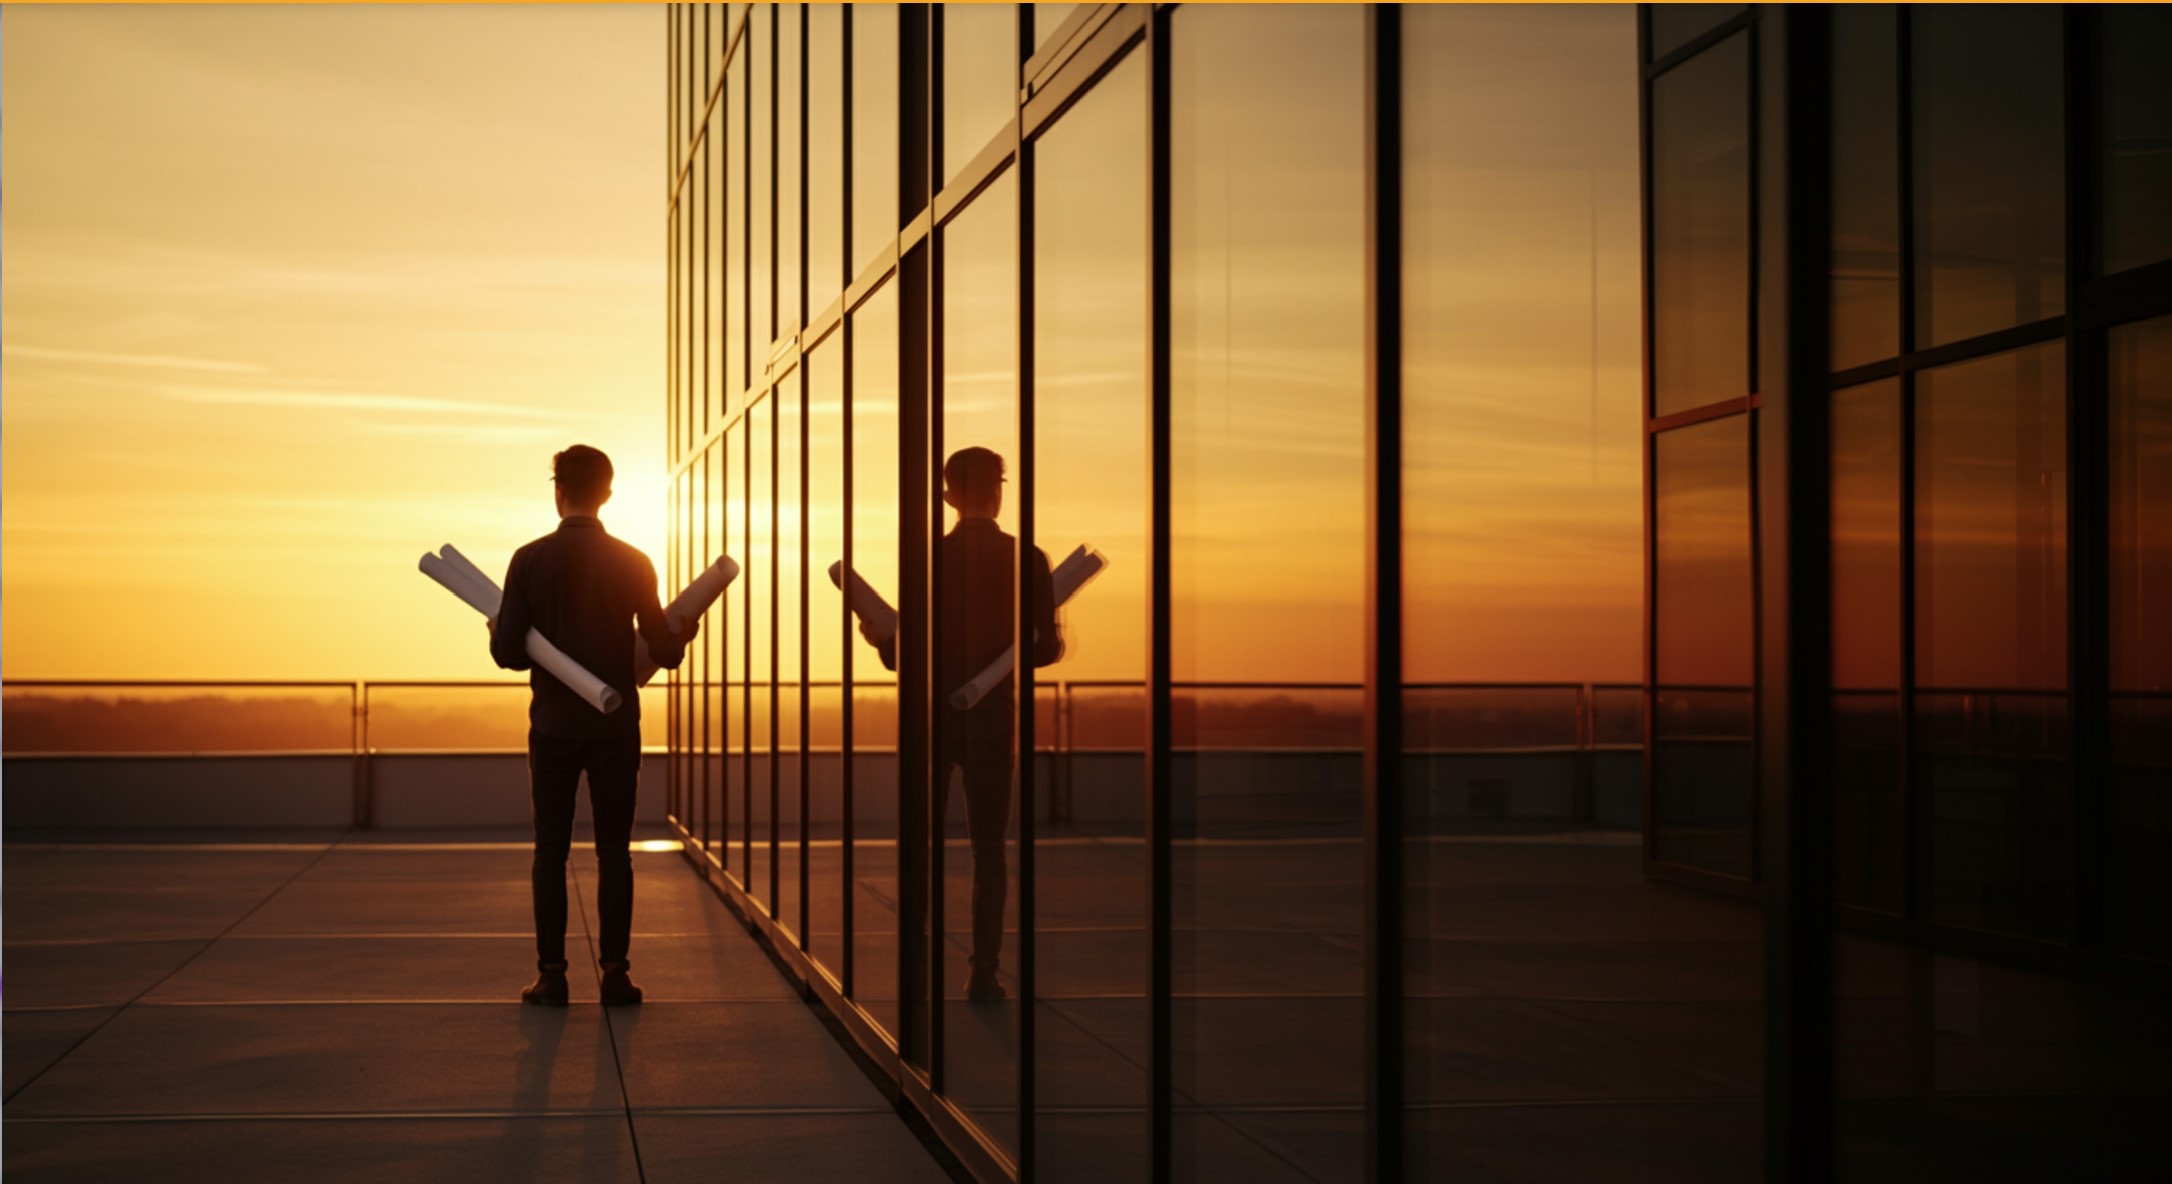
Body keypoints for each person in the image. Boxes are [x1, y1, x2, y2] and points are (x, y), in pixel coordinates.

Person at [490, 444, 693, 1007]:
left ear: (558, 491)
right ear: (607, 493)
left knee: (549, 851)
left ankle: (552, 975)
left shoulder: (528, 560)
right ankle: (616, 973)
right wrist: (684, 630)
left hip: (553, 728)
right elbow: (664, 650)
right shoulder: (633, 560)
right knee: (614, 852)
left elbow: (509, 654)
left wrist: (497, 628)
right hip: (615, 729)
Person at [866, 446, 1060, 1002]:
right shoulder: (1029, 559)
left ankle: (917, 961)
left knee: (922, 844)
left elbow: (904, 655)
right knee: (989, 849)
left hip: (932, 719)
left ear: (948, 495)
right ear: (998, 491)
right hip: (993, 721)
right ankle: (983, 969)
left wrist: (882, 639)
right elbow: (1043, 652)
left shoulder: (926, 558)